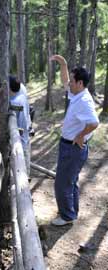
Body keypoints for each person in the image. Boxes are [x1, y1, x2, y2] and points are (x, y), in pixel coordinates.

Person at [50, 55, 99, 226]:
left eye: (72, 80)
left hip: (73, 148)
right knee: (70, 182)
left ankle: (67, 217)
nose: (69, 83)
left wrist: (79, 136)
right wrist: (63, 63)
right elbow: (64, 81)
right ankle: (71, 211)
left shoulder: (84, 101)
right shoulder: (77, 93)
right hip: (70, 147)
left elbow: (95, 123)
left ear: (79, 83)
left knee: (62, 184)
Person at [9, 75, 31, 176]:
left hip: (19, 137)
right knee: (26, 157)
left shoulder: (13, 103)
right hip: (25, 134)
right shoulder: (22, 95)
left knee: (20, 163)